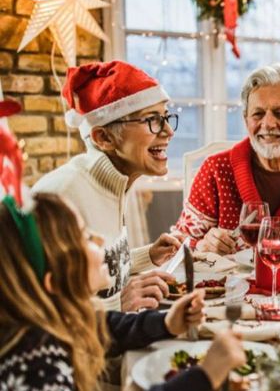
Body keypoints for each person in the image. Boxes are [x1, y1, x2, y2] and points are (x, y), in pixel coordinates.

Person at [0, 192, 246, 391]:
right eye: (85, 237)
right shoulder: (28, 358)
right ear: (55, 282)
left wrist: (165, 323)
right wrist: (202, 376)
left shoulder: (51, 319)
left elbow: (104, 326)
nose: (100, 239)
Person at [33, 61, 182, 312]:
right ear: (104, 138)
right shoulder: (59, 198)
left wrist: (148, 256)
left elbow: (94, 274)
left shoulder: (114, 182)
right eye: (153, 120)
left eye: (166, 118)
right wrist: (118, 303)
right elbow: (37, 310)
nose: (168, 131)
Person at [173, 63, 280, 253]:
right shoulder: (216, 169)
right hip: (230, 282)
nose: (268, 123)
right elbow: (177, 244)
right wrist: (200, 245)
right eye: (258, 114)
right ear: (246, 120)